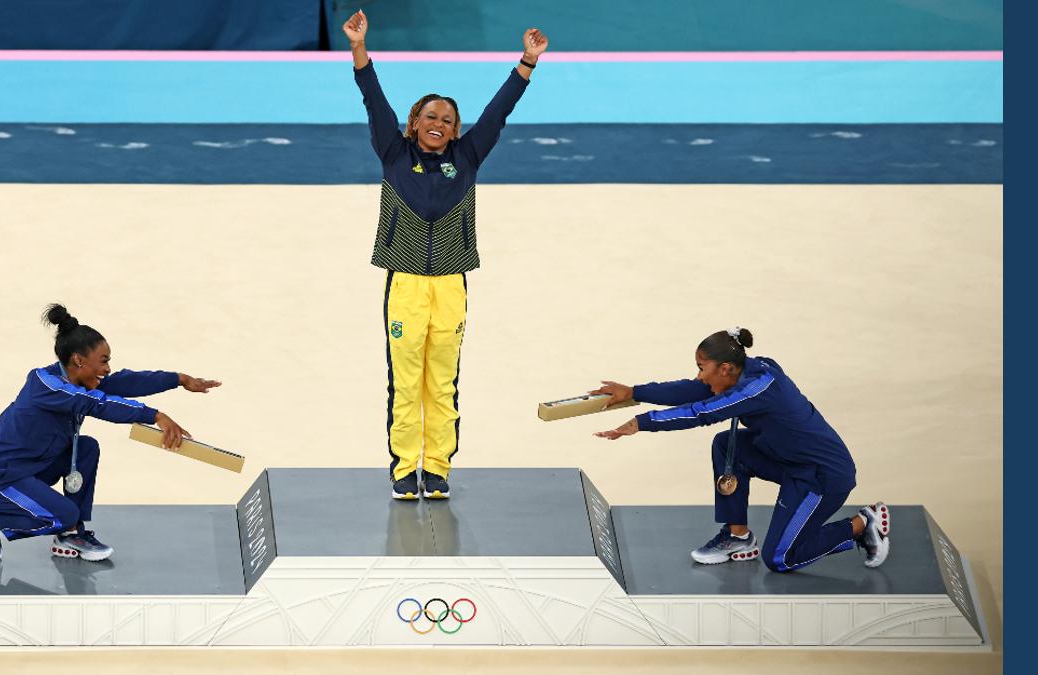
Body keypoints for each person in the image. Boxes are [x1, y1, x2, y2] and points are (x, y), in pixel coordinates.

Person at [343, 9, 548, 500]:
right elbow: (374, 102)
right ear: (414, 123)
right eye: (430, 116)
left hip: (452, 283)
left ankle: (436, 469)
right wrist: (358, 49)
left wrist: (527, 62)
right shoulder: (394, 152)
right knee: (406, 380)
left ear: (456, 132)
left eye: (447, 120)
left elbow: (498, 113)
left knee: (443, 382)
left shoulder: (468, 157)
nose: (438, 123)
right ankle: (402, 468)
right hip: (407, 285)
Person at [591, 328, 890, 571]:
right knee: (727, 445)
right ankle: (738, 537)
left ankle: (862, 524)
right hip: (787, 462)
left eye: (701, 368)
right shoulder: (740, 373)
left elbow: (701, 412)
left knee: (780, 558)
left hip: (822, 476)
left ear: (725, 368)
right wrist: (634, 392)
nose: (699, 376)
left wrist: (642, 423)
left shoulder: (759, 387)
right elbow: (692, 390)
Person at [0, 304, 221, 562]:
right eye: (103, 361)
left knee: (86, 447)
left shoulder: (80, 379)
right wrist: (156, 416)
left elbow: (126, 381)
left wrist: (179, 379)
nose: (107, 369)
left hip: (28, 468)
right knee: (62, 515)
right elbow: (97, 404)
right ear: (78, 361)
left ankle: (71, 535)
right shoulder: (45, 384)